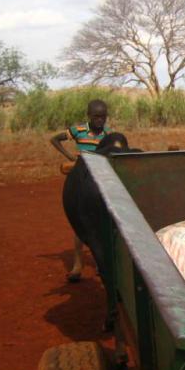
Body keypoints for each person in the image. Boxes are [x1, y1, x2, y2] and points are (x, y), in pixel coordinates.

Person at [50, 99, 109, 282]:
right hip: (80, 180)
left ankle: (100, 263)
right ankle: (77, 264)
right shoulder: (79, 131)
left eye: (103, 117)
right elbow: (55, 139)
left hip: (98, 180)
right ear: (89, 116)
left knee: (99, 224)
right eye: (96, 117)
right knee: (80, 224)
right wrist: (70, 157)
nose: (100, 121)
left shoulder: (107, 135)